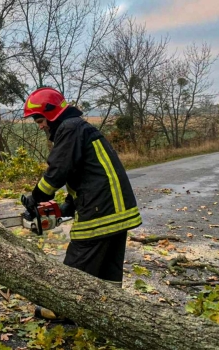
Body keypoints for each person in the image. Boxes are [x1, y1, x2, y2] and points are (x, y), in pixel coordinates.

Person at [22, 87, 142, 321]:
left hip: (101, 211)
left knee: (77, 260)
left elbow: (58, 171)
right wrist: (67, 206)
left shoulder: (69, 128)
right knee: (108, 268)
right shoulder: (80, 128)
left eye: (39, 119)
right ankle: (108, 310)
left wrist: (35, 198)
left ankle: (63, 309)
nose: (40, 126)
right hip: (117, 209)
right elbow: (87, 175)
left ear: (51, 113)